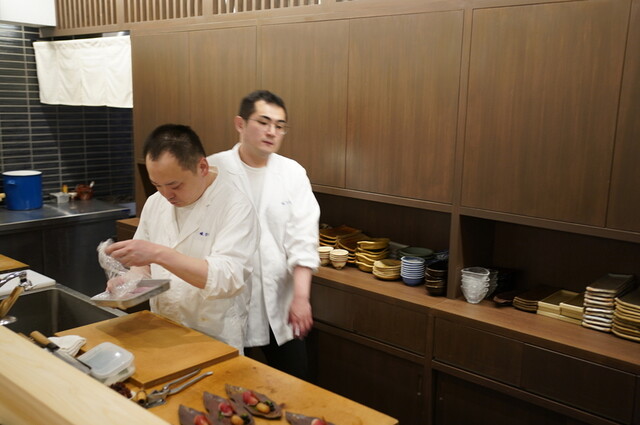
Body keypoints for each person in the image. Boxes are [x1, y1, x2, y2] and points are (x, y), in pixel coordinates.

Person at [105, 124, 259, 353]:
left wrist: (159, 254)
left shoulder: (235, 206)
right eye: (157, 185)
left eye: (174, 185)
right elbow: (144, 266)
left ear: (202, 167)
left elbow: (227, 278)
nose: (166, 195)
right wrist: (130, 280)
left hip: (214, 336)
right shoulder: (156, 202)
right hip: (163, 326)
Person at [208, 90, 320, 380]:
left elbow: (303, 239)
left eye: (280, 126)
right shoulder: (213, 169)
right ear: (240, 124)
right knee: (228, 383)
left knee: (295, 383)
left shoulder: (292, 173)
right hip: (227, 301)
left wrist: (301, 297)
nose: (272, 132)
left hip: (279, 301)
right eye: (264, 122)